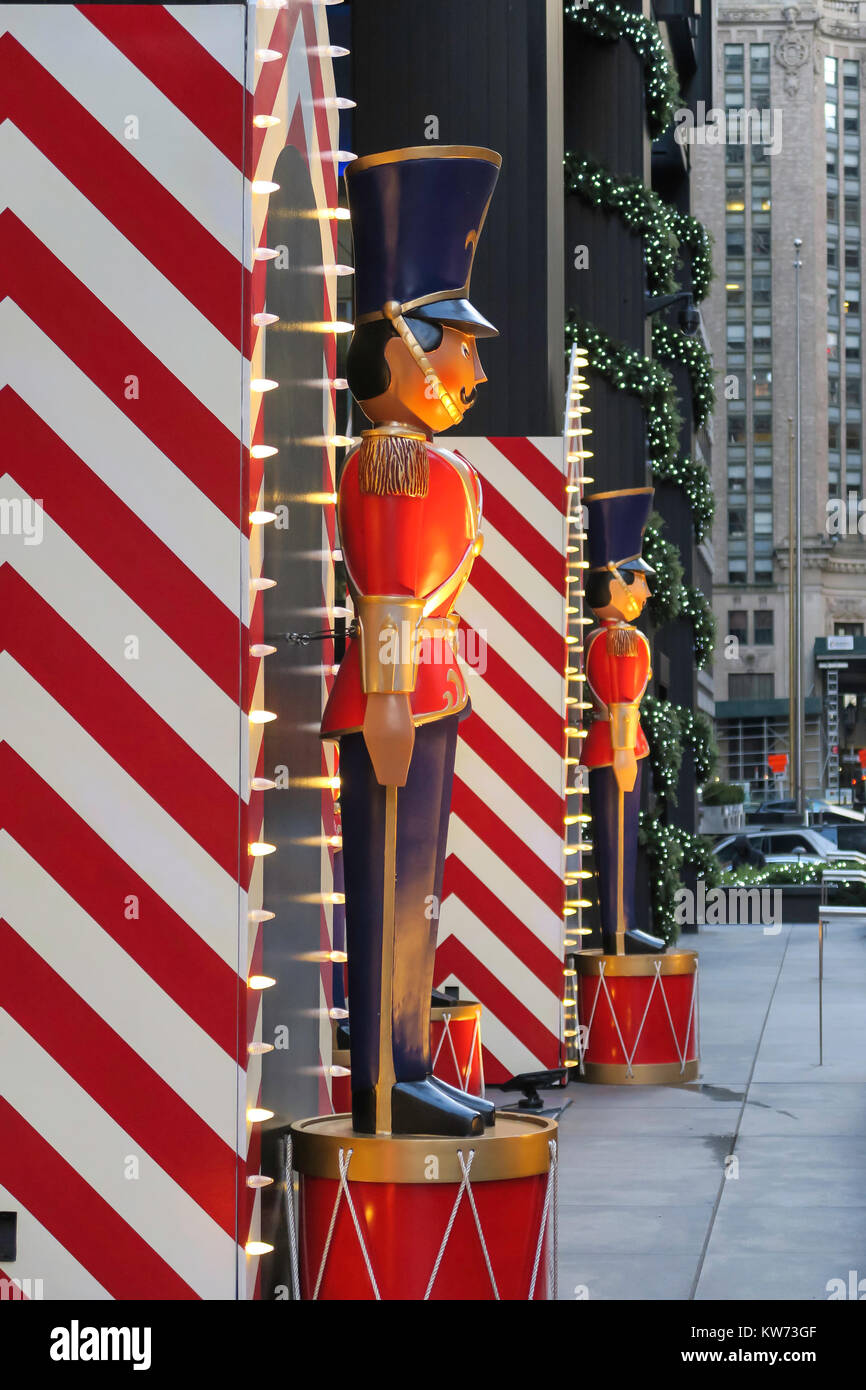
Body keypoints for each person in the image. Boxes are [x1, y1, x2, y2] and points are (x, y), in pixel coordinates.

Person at [321, 146, 501, 1136]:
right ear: (399, 349)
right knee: (391, 890)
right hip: (398, 700)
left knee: (413, 897)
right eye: (453, 340)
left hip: (426, 696)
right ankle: (387, 1083)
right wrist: (387, 699)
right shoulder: (393, 461)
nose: (472, 365)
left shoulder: (416, 462)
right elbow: (387, 595)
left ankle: (409, 1064)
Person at [582, 489, 665, 955]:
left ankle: (619, 926)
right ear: (615, 582)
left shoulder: (603, 640)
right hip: (619, 750)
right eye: (637, 580)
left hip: (612, 747)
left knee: (617, 843)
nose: (646, 591)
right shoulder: (624, 642)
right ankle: (619, 929)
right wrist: (622, 755)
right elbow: (623, 706)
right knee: (618, 841)